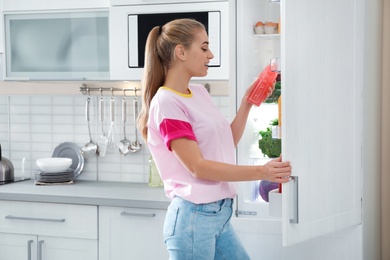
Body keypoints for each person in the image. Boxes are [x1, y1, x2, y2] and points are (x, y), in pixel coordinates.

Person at [138, 18, 292, 260]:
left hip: (219, 217)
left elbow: (226, 142)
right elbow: (197, 167)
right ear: (181, 52)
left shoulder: (198, 92)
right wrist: (262, 172)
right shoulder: (166, 102)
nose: (210, 55)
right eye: (203, 47)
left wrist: (247, 103)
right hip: (193, 220)